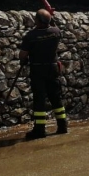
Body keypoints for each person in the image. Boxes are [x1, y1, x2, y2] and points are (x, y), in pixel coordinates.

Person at [19, 9, 68, 139]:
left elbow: (23, 55)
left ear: (37, 21)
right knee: (56, 98)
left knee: (39, 100)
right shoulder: (56, 32)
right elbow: (55, 27)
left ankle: (40, 130)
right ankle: (62, 126)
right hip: (53, 69)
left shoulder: (31, 36)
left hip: (38, 70)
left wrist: (24, 60)